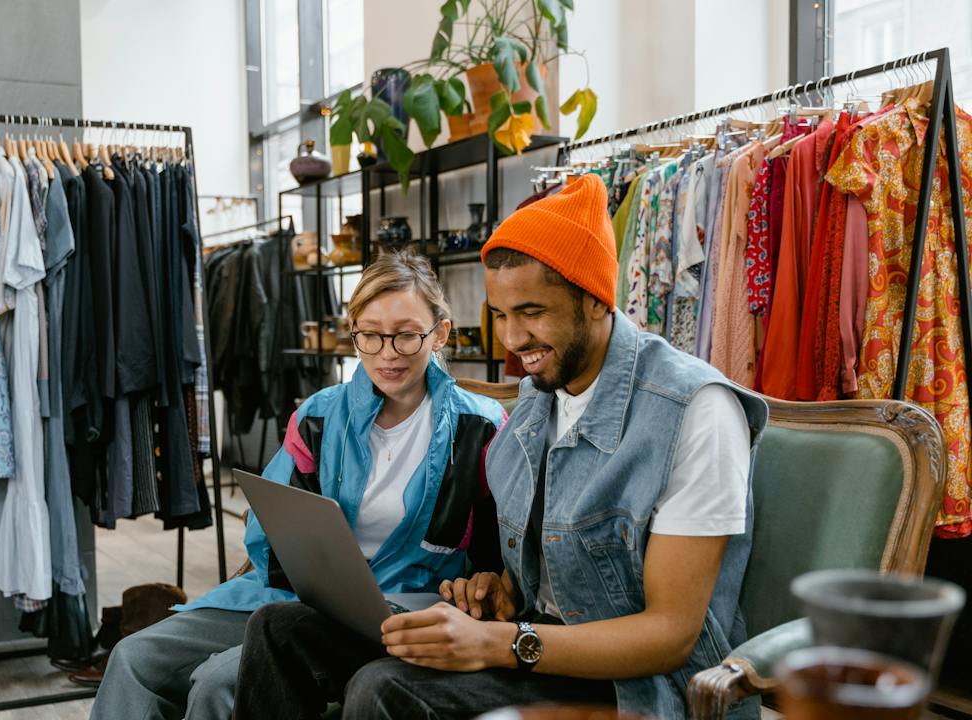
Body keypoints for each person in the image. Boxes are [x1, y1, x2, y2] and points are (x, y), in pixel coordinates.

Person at [232, 174, 770, 720]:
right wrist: (498, 592)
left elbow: (670, 636)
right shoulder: (537, 404)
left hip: (636, 686)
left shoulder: (694, 411)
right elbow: (542, 574)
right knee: (280, 630)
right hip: (532, 647)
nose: (512, 341)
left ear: (594, 299)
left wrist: (501, 643)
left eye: (532, 312)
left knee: (383, 688)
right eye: (501, 317)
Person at [89, 251, 507, 720]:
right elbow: (273, 531)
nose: (387, 352)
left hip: (401, 615)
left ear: (440, 333)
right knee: (133, 659)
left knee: (216, 682)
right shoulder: (318, 417)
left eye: (407, 335)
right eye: (370, 335)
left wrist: (482, 583)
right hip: (293, 601)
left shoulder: (482, 429)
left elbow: (498, 558)